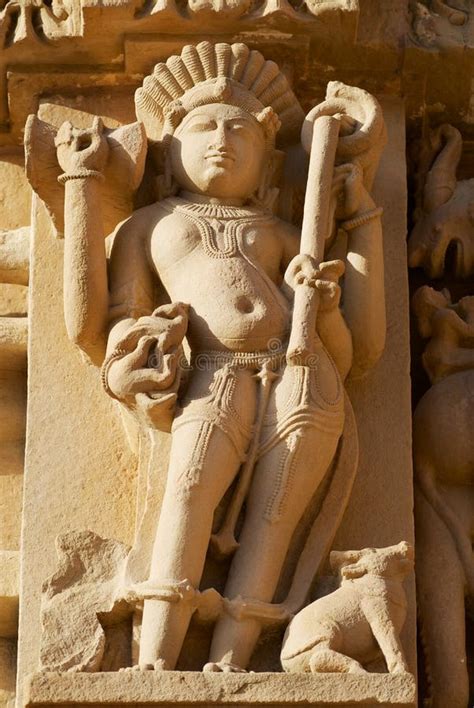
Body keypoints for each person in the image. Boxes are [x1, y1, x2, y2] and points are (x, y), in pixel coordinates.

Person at [55, 41, 385, 673]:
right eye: (204, 126)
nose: (221, 141)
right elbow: (102, 325)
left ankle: (232, 663)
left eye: (240, 130)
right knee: (186, 493)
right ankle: (155, 660)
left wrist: (329, 288)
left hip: (301, 378)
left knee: (275, 516)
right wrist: (81, 187)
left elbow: (356, 354)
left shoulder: (288, 235)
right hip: (212, 378)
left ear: (267, 153)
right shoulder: (150, 225)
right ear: (171, 145)